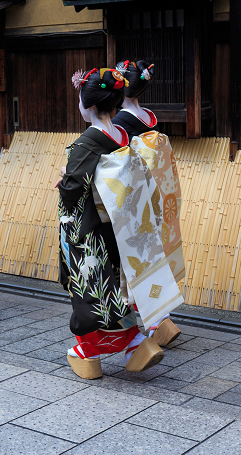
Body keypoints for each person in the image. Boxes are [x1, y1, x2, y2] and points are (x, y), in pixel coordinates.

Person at [59, 67, 164, 379]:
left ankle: (89, 352)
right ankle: (136, 342)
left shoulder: (87, 141)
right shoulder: (121, 135)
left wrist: (65, 178)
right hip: (120, 225)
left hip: (90, 228)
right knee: (118, 281)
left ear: (88, 105)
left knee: (91, 285)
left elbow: (72, 189)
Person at [111, 59, 184, 347]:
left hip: (136, 197)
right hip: (158, 195)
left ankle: (154, 322)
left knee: (132, 260)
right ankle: (161, 315)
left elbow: (119, 166)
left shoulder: (119, 123)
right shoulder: (149, 117)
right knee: (155, 254)